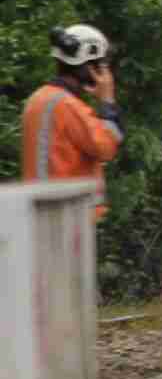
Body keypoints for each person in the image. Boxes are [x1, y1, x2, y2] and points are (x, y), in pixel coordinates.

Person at [22, 22, 122, 227]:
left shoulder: (39, 99)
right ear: (87, 67)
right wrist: (107, 102)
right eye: (99, 66)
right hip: (66, 218)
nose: (103, 73)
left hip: (40, 214)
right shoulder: (68, 106)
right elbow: (106, 147)